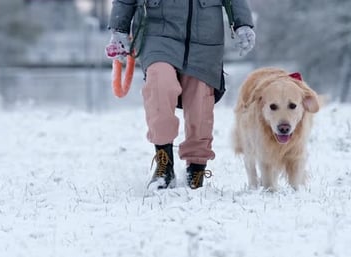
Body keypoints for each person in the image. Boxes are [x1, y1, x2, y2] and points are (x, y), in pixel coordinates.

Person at [106, 0, 255, 190]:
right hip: (158, 32)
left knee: (200, 101)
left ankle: (196, 168)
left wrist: (243, 23)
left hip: (205, 39)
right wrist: (119, 29)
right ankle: (164, 164)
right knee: (159, 84)